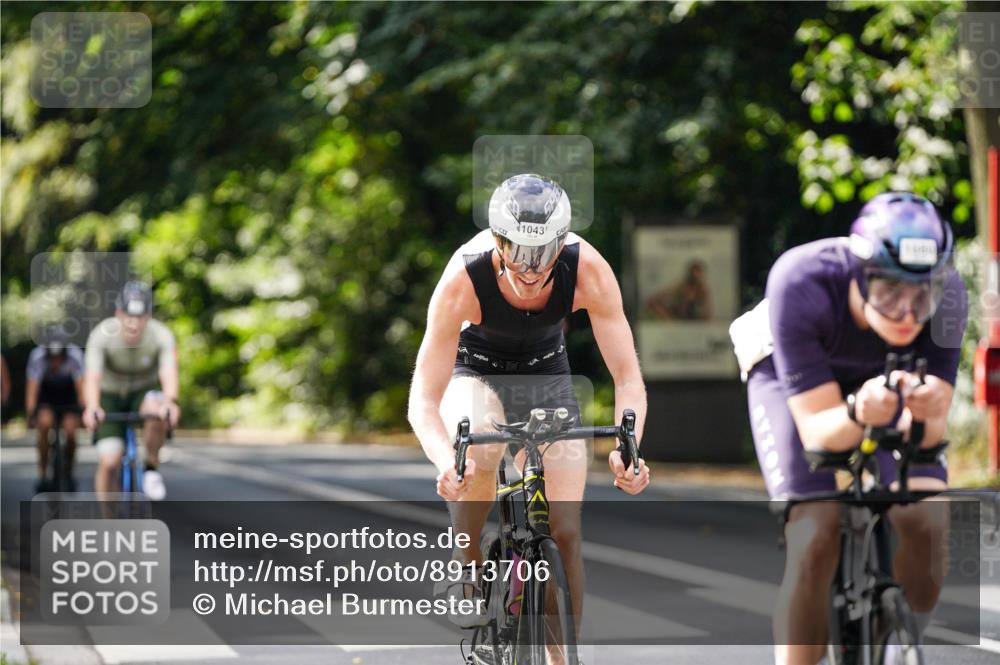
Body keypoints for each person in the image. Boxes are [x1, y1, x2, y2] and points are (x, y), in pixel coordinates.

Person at [408, 173, 650, 649]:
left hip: (546, 375)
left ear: (562, 243)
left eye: (543, 255)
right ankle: (468, 562)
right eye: (518, 253)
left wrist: (630, 449)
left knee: (565, 531)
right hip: (475, 370)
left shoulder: (588, 269)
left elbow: (627, 378)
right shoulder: (465, 274)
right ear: (497, 240)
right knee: (479, 442)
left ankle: (564, 657)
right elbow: (423, 398)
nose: (531, 268)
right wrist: (445, 461)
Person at [731, 192, 967, 665]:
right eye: (888, 292)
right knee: (815, 533)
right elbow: (820, 433)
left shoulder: (951, 298)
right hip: (789, 373)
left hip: (883, 379)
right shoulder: (800, 280)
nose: (905, 312)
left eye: (922, 296)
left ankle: (892, 640)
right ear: (860, 275)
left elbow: (927, 441)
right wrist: (860, 411)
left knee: (927, 520)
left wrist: (930, 412)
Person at [82, 281, 180, 500]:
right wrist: (92, 406)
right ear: (118, 313)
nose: (134, 324)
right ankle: (109, 524)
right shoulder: (101, 335)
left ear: (149, 316)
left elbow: (168, 372)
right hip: (109, 395)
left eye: (140, 317)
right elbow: (92, 376)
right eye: (128, 316)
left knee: (159, 408)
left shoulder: (161, 335)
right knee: (109, 463)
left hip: (143, 392)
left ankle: (151, 468)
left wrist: (171, 402)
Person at [25, 340, 85, 492]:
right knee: (44, 425)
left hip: (68, 397)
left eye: (58, 358)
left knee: (71, 431)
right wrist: (31, 415)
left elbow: (81, 390)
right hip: (47, 397)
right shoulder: (38, 356)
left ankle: (69, 473)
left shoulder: (75, 355)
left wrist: (83, 413)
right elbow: (32, 390)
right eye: (52, 358)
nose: (55, 362)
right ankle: (43, 475)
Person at [646, 259, 712, 320]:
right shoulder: (681, 286)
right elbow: (656, 299)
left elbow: (708, 311)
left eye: (699, 274)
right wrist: (667, 317)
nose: (696, 277)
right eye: (694, 275)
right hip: (676, 316)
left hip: (691, 319)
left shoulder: (703, 290)